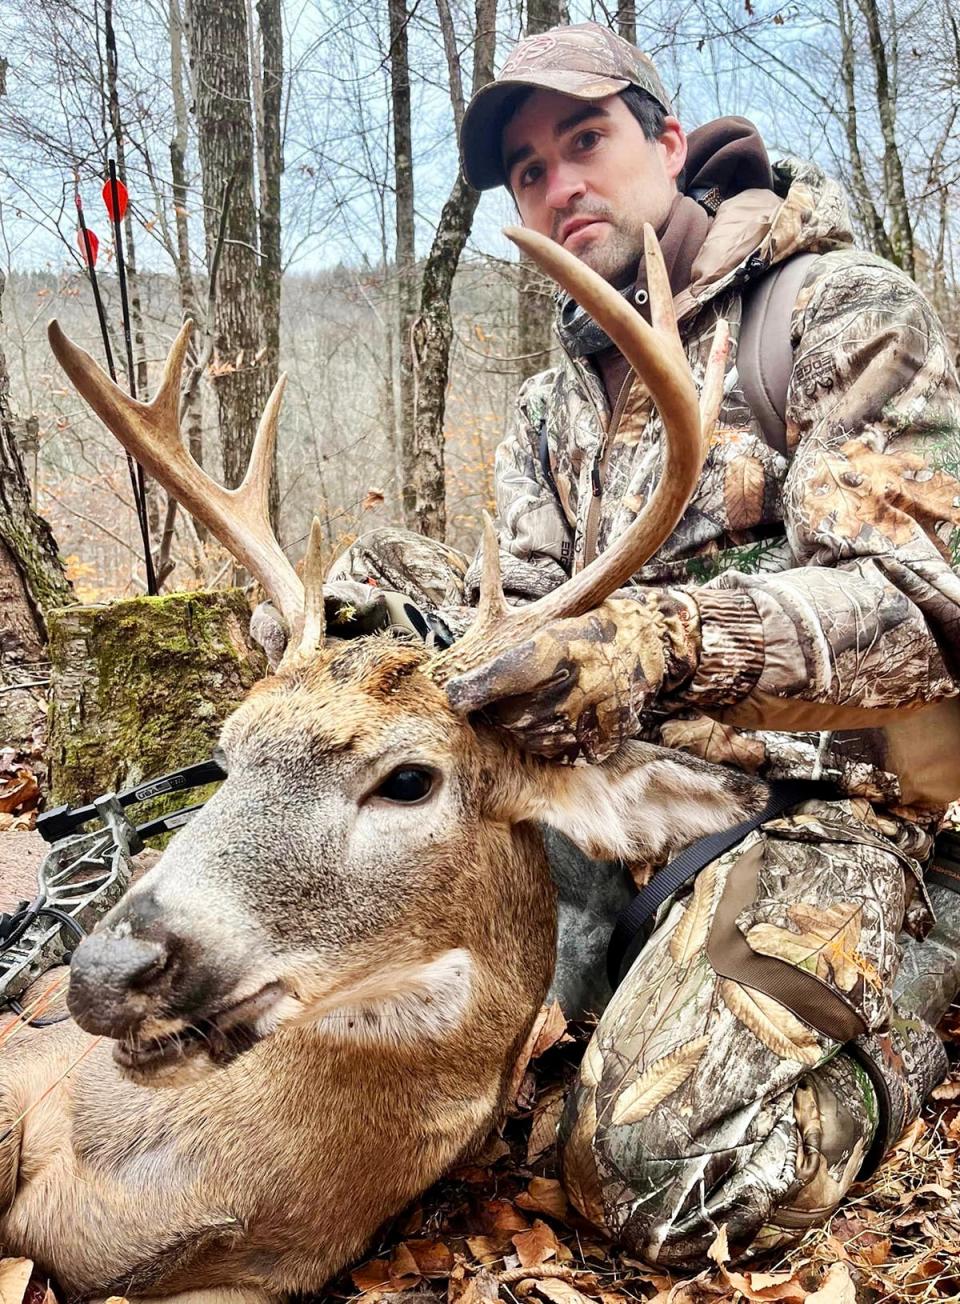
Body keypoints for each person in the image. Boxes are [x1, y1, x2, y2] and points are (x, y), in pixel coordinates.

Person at [258, 22, 960, 1270]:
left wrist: (655, 644)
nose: (557, 183)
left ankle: (916, 970)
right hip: (600, 799)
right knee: (360, 594)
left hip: (816, 809)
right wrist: (360, 665)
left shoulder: (837, 308)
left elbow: (921, 614)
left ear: (671, 142)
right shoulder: (552, 402)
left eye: (585, 140)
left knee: (648, 1172)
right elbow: (521, 608)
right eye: (526, 170)